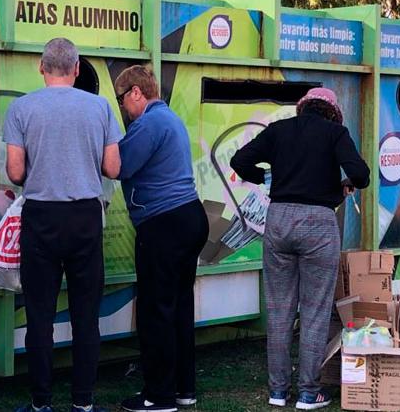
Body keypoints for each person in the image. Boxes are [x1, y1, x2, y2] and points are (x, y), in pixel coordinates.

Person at [230, 87, 370, 410]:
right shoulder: (336, 134)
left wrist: (264, 176)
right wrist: (343, 184)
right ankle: (309, 393)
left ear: (303, 107)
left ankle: (277, 391)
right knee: (315, 310)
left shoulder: (279, 130)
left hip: (278, 220)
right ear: (332, 112)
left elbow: (239, 159)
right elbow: (361, 175)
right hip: (319, 224)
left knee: (279, 310)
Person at [3, 38, 122, 412]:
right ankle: (83, 403)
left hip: (40, 216)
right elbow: (113, 169)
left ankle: (41, 403)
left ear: (41, 68)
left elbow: (15, 171)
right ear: (76, 69)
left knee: (39, 316)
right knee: (86, 316)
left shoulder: (20, 108)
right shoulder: (100, 107)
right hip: (85, 216)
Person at [113, 66, 209, 412]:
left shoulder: (149, 123)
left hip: (164, 223)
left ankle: (159, 396)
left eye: (124, 100)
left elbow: (120, 165)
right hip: (189, 217)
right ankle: (184, 388)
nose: (124, 108)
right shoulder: (169, 119)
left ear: (137, 92)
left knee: (156, 310)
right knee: (179, 307)